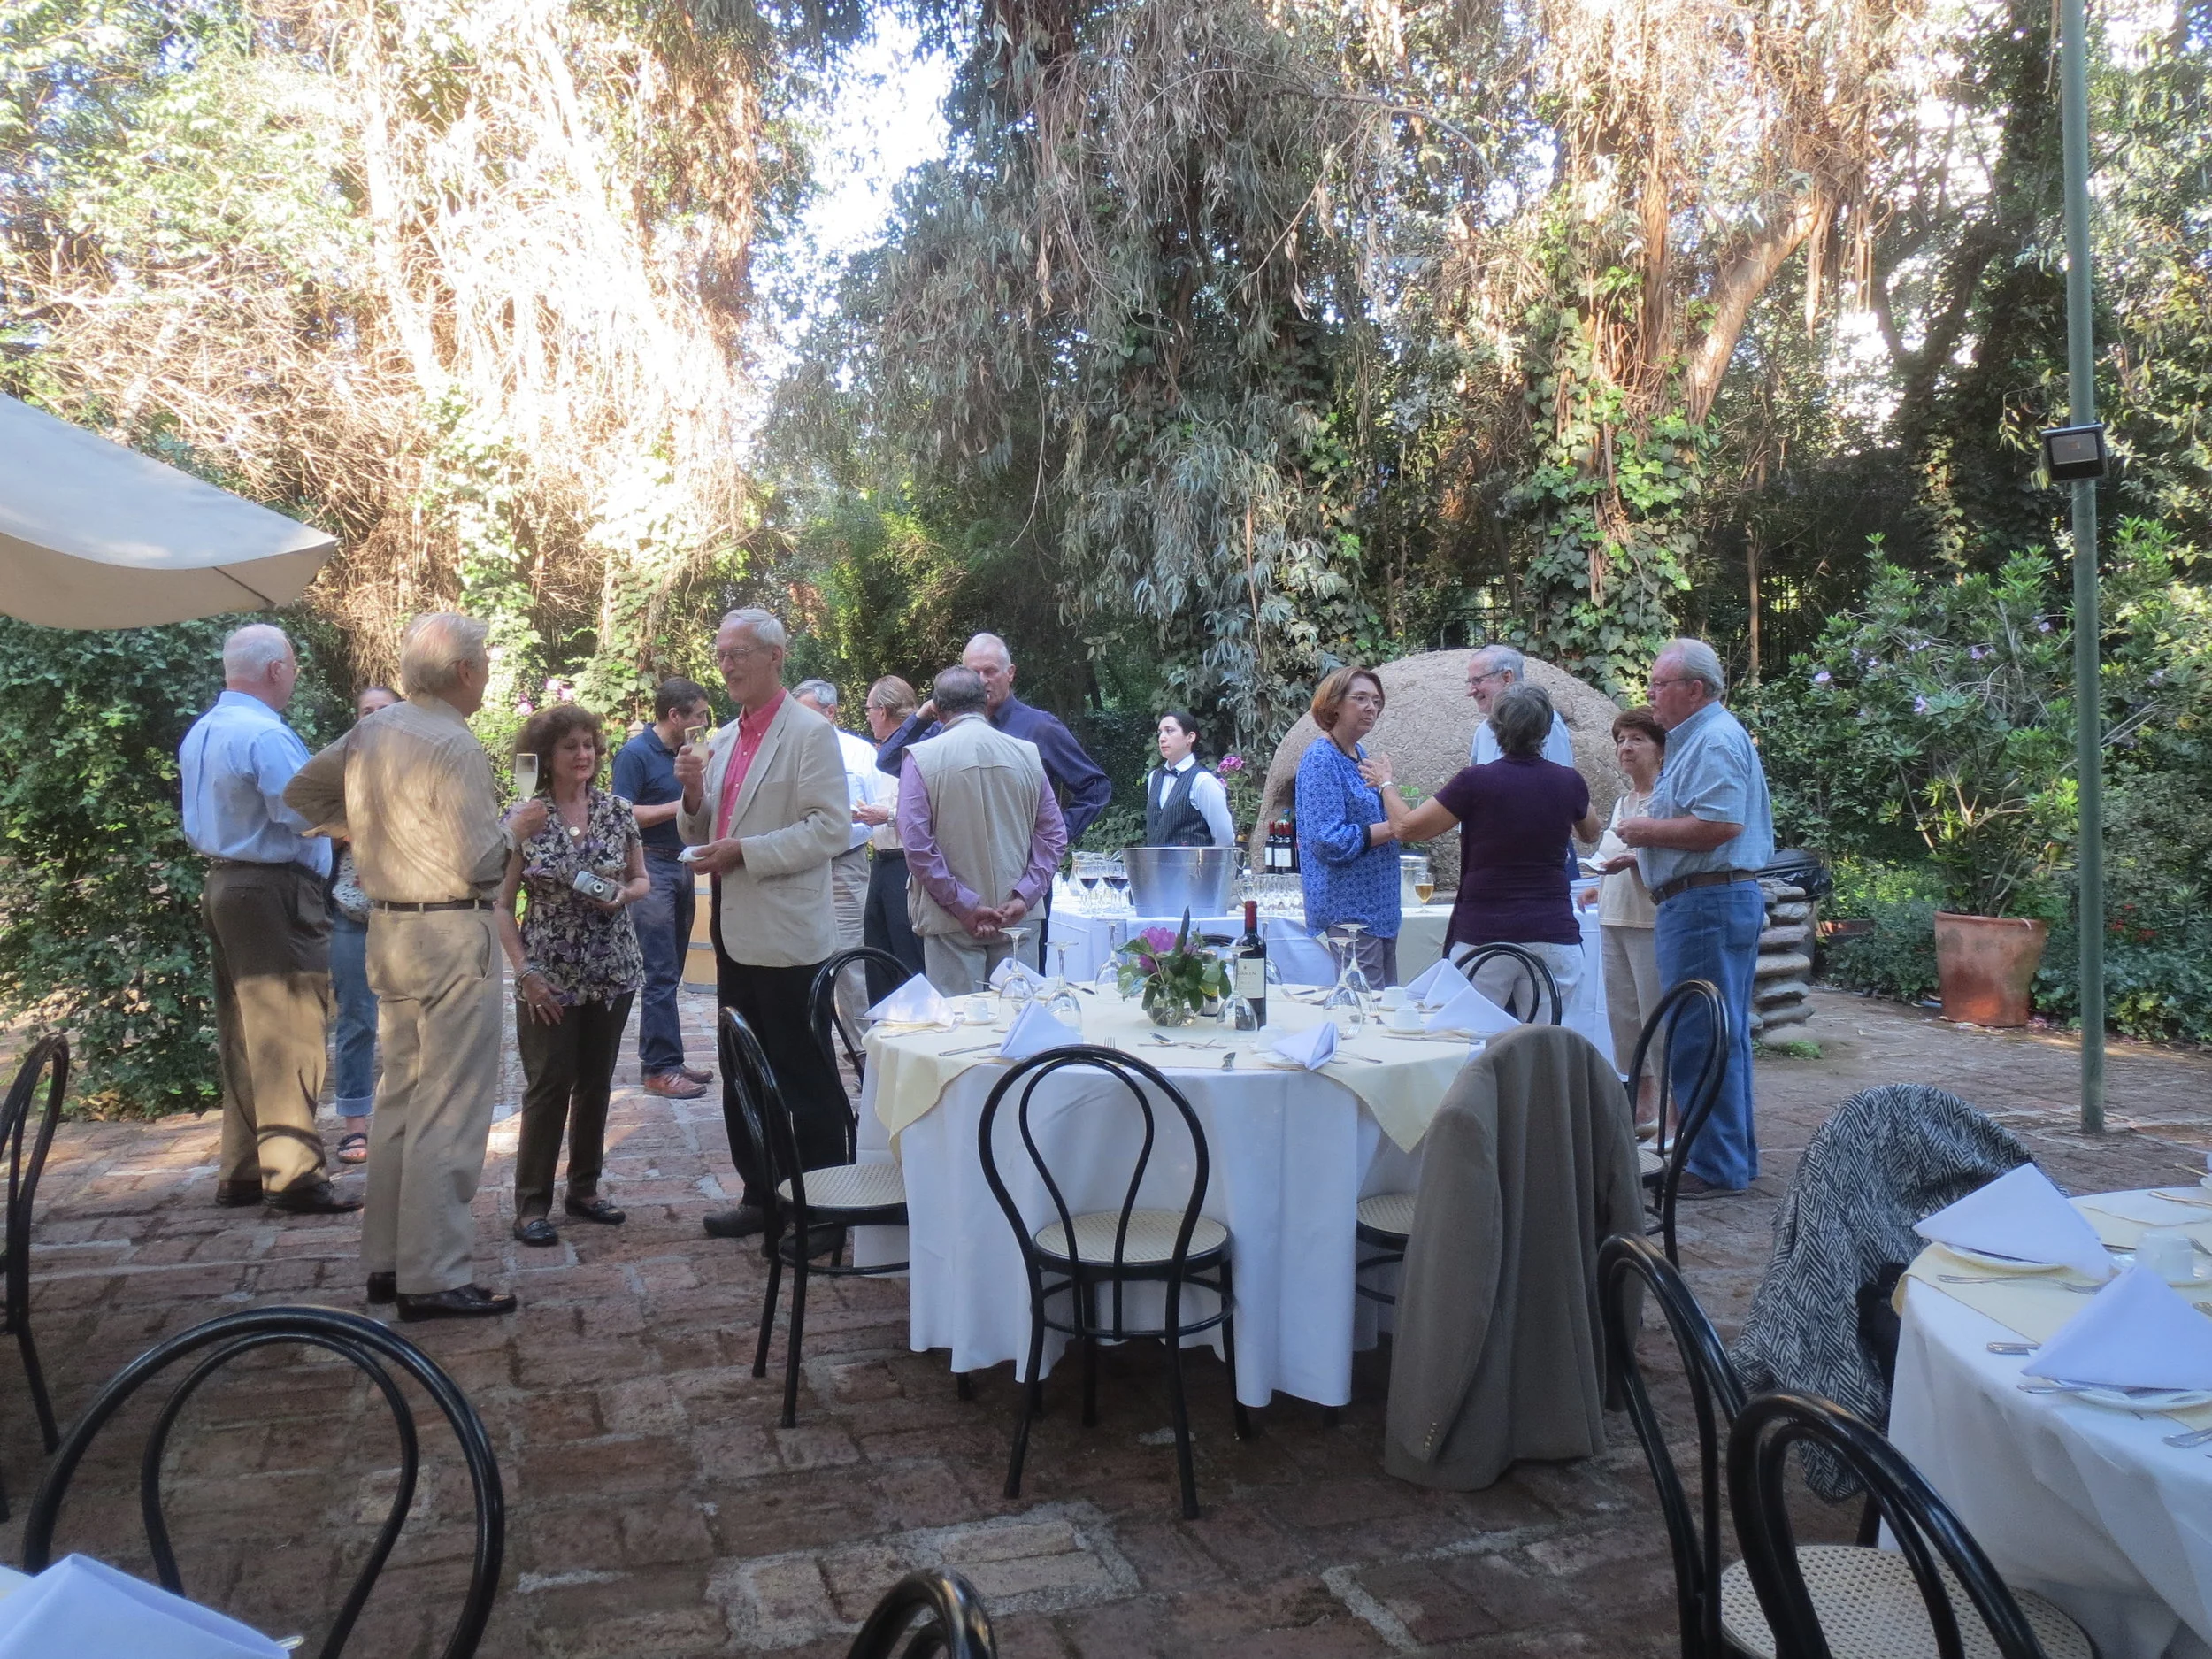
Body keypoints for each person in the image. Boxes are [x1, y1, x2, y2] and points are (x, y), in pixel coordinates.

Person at [286, 612, 517, 1320]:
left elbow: (303, 794)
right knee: (449, 1105)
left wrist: (369, 829)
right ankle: (435, 1273)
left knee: (400, 1098)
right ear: (465, 671)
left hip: (387, 928)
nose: (486, 674)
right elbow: (483, 859)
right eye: (483, 661)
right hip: (450, 931)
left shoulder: (372, 730)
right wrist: (519, 830)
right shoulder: (455, 743)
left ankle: (386, 1261)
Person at [674, 608, 852, 1241]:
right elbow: (703, 829)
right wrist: (693, 797)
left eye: (739, 652)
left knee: (804, 1073)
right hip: (734, 926)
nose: (726, 663)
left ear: (776, 656)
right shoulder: (722, 737)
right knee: (742, 1067)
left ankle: (827, 1206)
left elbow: (830, 828)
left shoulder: (808, 733)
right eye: (720, 652)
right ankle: (762, 1193)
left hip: (789, 933)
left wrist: (744, 852)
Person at [180, 624, 353, 1215]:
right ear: (277, 669)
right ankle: (295, 1175)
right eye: (294, 663)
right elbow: (305, 814)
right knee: (291, 1032)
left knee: (244, 1034)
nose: (296, 673)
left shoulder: (204, 728)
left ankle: (245, 1168)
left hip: (226, 884)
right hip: (273, 890)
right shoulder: (264, 734)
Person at [1615, 638, 1775, 1197]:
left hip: (1706, 904)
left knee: (1699, 1035)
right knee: (1717, 1032)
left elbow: (1720, 824)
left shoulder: (1712, 739)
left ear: (1695, 690)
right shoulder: (1702, 738)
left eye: (1660, 684)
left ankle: (1711, 1166)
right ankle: (1729, 1160)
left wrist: (1643, 832)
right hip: (1706, 898)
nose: (1651, 694)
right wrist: (1643, 854)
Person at [495, 703, 648, 1247]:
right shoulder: (526, 818)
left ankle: (584, 1189)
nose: (583, 755)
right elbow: (500, 905)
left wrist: (626, 895)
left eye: (589, 744)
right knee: (547, 1085)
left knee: (597, 1084)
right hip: (549, 974)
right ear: (546, 756)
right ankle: (530, 1204)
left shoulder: (616, 811)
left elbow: (641, 879)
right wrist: (526, 972)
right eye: (570, 747)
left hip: (613, 969)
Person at [1368, 685, 1600, 1017]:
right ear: (1547, 729)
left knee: (1473, 1043)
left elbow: (1406, 827)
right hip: (1553, 932)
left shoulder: (1475, 782)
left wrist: (1386, 784)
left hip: (1485, 934)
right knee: (1547, 1049)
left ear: (1494, 729)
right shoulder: (1568, 781)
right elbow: (1591, 833)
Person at [874, 633, 1111, 919]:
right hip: (960, 882)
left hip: (1025, 880)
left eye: (990, 671)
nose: (983, 680)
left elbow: (1095, 787)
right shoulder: (943, 730)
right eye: (974, 673)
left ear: (1010, 673)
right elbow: (889, 762)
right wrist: (923, 715)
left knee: (1022, 964)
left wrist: (1057, 833)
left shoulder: (1039, 729)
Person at [898, 665, 1069, 995]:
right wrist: (1026, 893)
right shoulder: (1027, 754)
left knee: (963, 1030)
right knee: (1017, 1024)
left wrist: (962, 903)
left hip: (950, 919)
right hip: (1017, 916)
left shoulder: (921, 757)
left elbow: (917, 845)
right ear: (984, 702)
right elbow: (1053, 833)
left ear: (936, 709)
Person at [611, 677, 714, 1101]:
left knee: (671, 968)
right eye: (699, 715)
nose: (705, 723)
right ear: (675, 716)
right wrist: (682, 804)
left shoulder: (687, 754)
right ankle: (658, 1068)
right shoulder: (635, 754)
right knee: (660, 971)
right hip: (651, 866)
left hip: (683, 864)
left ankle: (668, 1056)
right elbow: (621, 815)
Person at [1580, 706, 1667, 1130]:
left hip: (1649, 920)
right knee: (1623, 1017)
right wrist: (1603, 885)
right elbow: (1613, 856)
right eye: (1621, 740)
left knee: (1657, 1017)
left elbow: (1663, 857)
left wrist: (1631, 862)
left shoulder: (1666, 798)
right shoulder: (1623, 801)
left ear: (1660, 749)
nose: (1626, 748)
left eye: (1637, 740)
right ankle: (1642, 1104)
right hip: (1614, 916)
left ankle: (1671, 1111)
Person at [328, 684, 401, 1165]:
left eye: (383, 711)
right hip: (351, 914)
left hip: (408, 917)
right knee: (356, 1021)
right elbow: (309, 826)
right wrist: (343, 830)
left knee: (411, 1023)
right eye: (365, 711)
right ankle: (356, 1125)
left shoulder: (421, 770)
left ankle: (407, 1122)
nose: (373, 717)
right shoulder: (338, 772)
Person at [1294, 667, 1402, 988]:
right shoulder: (1321, 758)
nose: (1372, 707)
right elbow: (1328, 841)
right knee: (1363, 1011)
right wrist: (1396, 828)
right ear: (1334, 704)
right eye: (1361, 698)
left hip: (1379, 909)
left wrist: (1386, 787)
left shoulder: (1359, 755)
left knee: (1383, 1009)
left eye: (1377, 701)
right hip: (1351, 914)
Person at [793, 678, 879, 1026]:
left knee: (850, 962)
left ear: (830, 712)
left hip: (845, 866)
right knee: (799, 958)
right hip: (797, 869)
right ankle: (811, 1045)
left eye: (806, 713)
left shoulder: (860, 753)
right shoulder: (788, 752)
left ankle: (861, 1052)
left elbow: (879, 814)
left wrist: (835, 831)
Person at [858, 676, 926, 1002]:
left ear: (883, 711)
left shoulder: (921, 745)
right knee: (876, 953)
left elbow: (930, 810)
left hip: (907, 864)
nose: (867, 716)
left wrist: (884, 815)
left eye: (869, 709)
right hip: (880, 861)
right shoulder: (881, 751)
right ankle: (881, 1038)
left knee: (906, 958)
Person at [1464, 644, 1575, 767]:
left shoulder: (1547, 723)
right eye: (1470, 682)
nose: (1470, 692)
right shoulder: (1484, 730)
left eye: (1477, 681)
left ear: (1507, 678)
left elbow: (1560, 781)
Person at [1145, 711, 1235, 847]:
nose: (1162, 738)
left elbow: (1224, 839)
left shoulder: (1203, 781)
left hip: (1194, 867)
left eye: (1169, 731)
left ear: (1190, 737)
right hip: (1155, 867)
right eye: (1160, 733)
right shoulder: (1154, 777)